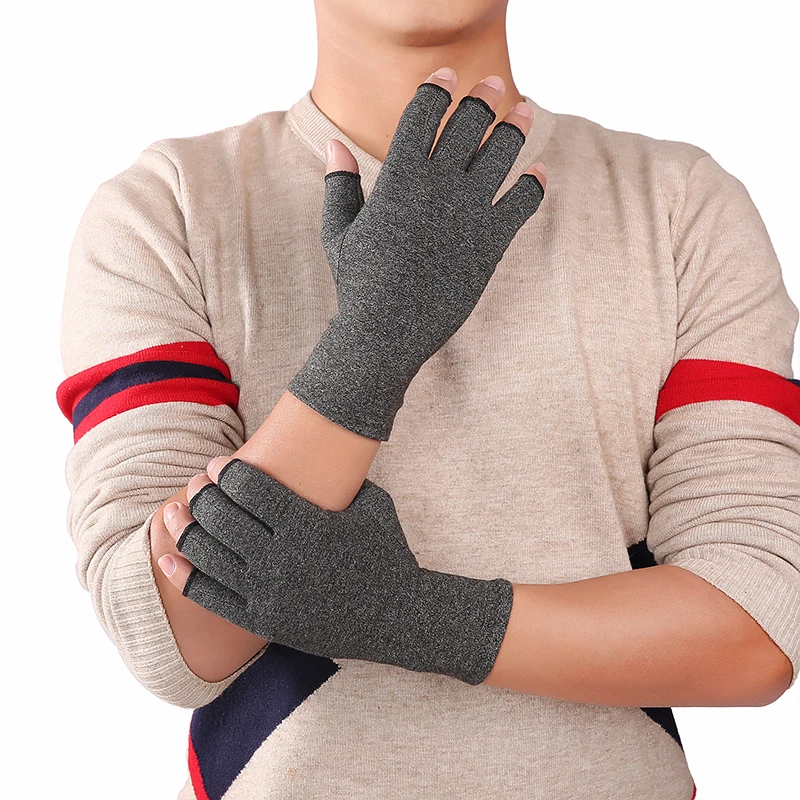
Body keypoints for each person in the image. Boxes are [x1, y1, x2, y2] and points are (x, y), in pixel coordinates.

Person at [55, 1, 800, 798]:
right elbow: (169, 639)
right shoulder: (168, 207)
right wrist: (373, 344)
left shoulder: (680, 204)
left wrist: (407, 614)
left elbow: (758, 624)